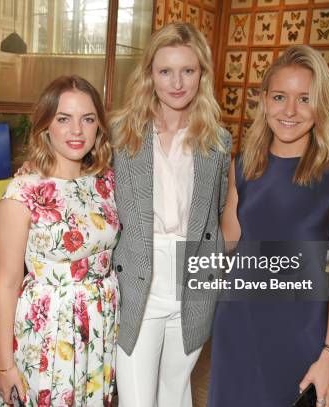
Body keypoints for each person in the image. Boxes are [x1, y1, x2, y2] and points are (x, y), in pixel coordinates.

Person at [209, 45, 329, 407]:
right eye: (280, 96)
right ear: (264, 100)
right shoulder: (244, 165)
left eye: (304, 99)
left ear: (321, 104)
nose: (290, 111)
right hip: (237, 324)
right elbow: (226, 245)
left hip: (299, 332)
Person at [110, 22, 231, 407]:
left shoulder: (218, 140)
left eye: (188, 70)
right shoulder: (120, 134)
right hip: (138, 280)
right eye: (165, 71)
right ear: (150, 75)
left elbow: (222, 211)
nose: (177, 83)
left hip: (194, 280)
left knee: (176, 394)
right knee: (136, 400)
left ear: (202, 75)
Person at [0, 75, 119, 406]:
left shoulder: (106, 181)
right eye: (64, 118)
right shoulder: (22, 192)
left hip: (101, 325)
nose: (76, 130)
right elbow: (6, 284)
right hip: (48, 331)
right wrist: (4, 366)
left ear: (99, 128)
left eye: (87, 119)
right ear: (45, 125)